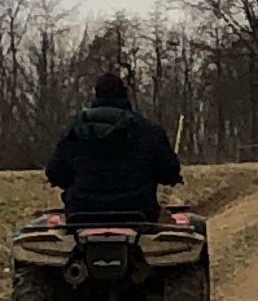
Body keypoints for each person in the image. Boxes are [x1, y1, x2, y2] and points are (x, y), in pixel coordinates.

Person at [45, 73, 183, 224]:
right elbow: (169, 172)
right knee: (193, 225)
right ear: (124, 95)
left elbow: (54, 172)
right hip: (139, 212)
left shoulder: (74, 131)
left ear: (96, 95)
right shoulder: (149, 131)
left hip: (81, 213)